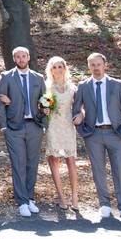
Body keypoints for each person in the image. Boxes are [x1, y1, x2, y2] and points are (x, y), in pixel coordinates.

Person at [72, 52, 121, 219]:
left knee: (120, 170)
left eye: (98, 64)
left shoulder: (118, 85)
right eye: (92, 65)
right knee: (98, 170)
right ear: (88, 67)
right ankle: (104, 204)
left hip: (116, 134)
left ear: (105, 65)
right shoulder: (83, 86)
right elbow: (76, 110)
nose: (96, 68)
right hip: (93, 135)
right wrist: (82, 128)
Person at [0, 46, 46, 217]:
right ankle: (21, 201)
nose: (21, 59)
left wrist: (44, 123)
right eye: (18, 57)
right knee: (18, 164)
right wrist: (3, 126)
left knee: (32, 163)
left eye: (24, 56)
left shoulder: (38, 78)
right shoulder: (6, 77)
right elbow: (0, 102)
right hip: (14, 127)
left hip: (35, 126)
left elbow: (45, 101)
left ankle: (30, 198)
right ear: (14, 59)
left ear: (28, 57)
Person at [43, 56, 79, 212]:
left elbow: (78, 107)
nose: (57, 70)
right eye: (54, 67)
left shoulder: (72, 87)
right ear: (50, 70)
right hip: (53, 125)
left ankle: (75, 197)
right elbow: (42, 105)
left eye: (60, 66)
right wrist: (43, 109)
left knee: (71, 160)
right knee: (54, 160)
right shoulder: (46, 87)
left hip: (68, 126)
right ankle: (61, 197)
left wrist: (81, 114)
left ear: (65, 68)